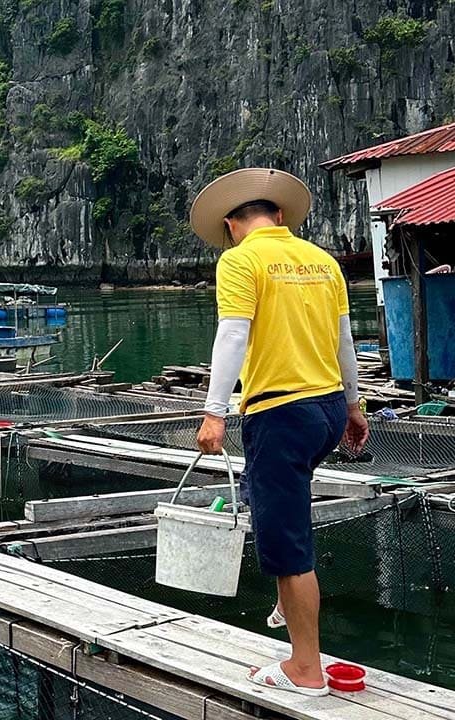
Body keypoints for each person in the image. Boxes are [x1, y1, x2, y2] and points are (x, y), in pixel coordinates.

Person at [190, 168, 369, 697]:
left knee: (288, 547)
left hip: (281, 415)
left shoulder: (240, 260)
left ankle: (306, 670)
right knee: (279, 512)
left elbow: (233, 335)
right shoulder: (322, 261)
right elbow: (344, 342)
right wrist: (356, 407)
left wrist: (214, 411)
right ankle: (288, 599)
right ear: (282, 217)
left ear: (230, 224)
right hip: (328, 412)